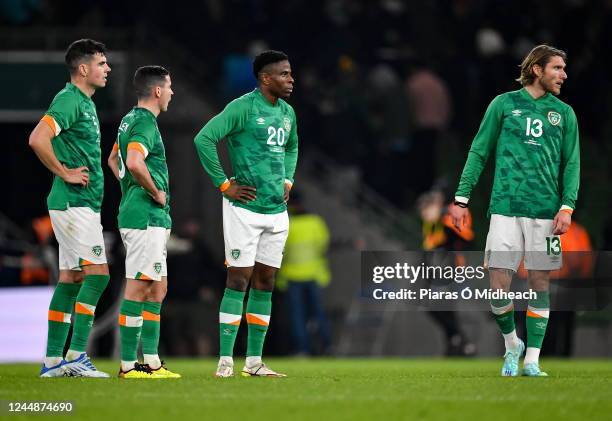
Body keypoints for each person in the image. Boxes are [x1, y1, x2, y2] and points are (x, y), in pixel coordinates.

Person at [450, 45, 580, 377]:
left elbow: (572, 164)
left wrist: (566, 207)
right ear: (537, 69)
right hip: (505, 209)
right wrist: (461, 199)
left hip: (546, 213)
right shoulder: (504, 105)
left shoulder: (564, 113)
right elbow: (479, 151)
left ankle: (533, 360)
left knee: (540, 283)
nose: (563, 74)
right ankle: (512, 345)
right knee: (497, 285)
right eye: (557, 68)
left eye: (564, 69)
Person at [194, 50, 298, 377]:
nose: (290, 79)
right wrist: (224, 185)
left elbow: (292, 146)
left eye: (290, 73)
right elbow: (204, 139)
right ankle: (226, 360)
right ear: (265, 78)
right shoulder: (242, 108)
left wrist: (288, 178)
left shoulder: (287, 113)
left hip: (276, 211)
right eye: (283, 74)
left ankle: (254, 362)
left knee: (266, 281)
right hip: (244, 209)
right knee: (238, 279)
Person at [29, 39, 112, 378]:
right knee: (98, 277)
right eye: (101, 63)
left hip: (78, 205)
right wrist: (63, 172)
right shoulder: (69, 100)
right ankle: (77, 354)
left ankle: (52, 361)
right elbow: (37, 138)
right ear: (83, 69)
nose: (107, 69)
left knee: (71, 278)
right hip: (74, 204)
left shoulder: (83, 103)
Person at [107, 66, 179, 379]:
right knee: (138, 288)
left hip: (145, 215)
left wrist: (129, 188)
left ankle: (151, 362)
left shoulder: (129, 120)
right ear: (158, 91)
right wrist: (153, 192)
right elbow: (134, 161)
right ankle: (127, 365)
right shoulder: (145, 123)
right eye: (170, 87)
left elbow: (114, 160)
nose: (173, 93)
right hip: (145, 216)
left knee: (158, 288)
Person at [276, 191, 332, 356]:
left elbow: (280, 252)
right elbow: (323, 246)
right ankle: (327, 346)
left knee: (297, 316)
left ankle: (302, 349)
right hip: (313, 275)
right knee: (318, 313)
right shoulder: (315, 222)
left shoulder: (287, 224)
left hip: (292, 277)